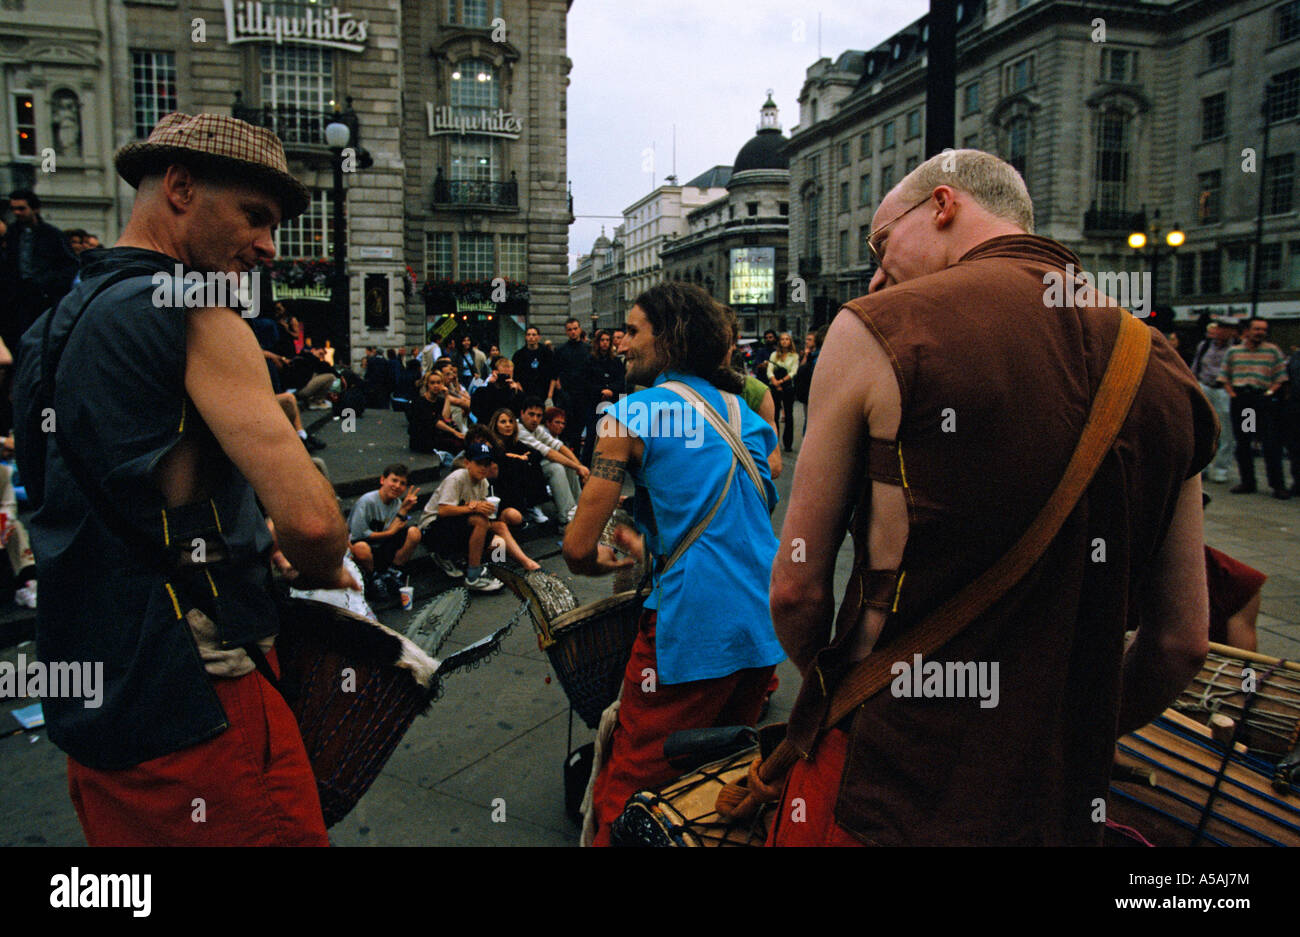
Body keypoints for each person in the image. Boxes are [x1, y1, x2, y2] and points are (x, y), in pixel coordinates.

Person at [767, 149, 1216, 846]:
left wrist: (842, 693)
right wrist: (1061, 734)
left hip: (887, 788)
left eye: (883, 242)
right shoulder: (1160, 364)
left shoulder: (879, 326)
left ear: (942, 205)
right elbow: (1183, 640)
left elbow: (796, 590)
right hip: (1056, 811)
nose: (878, 272)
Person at [13, 111, 352, 845]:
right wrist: (329, 563)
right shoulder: (199, 307)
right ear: (180, 186)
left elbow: (96, 489)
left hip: (95, 703)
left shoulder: (47, 330)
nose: (268, 247)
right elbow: (317, 523)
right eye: (255, 216)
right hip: (200, 698)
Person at [563, 281, 785, 847]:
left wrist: (610, 561)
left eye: (634, 332)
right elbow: (748, 501)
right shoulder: (744, 414)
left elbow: (577, 548)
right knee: (718, 772)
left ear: (670, 337)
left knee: (637, 771)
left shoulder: (630, 415)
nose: (622, 344)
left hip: (689, 629)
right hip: (762, 623)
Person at [419, 439, 538, 589]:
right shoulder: (457, 478)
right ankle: (473, 576)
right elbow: (443, 510)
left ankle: (524, 563)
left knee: (499, 532)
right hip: (432, 528)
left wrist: (486, 511)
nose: (483, 468)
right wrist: (473, 509)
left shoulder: (483, 482)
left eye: (487, 464)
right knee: (480, 522)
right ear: (468, 463)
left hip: (458, 525)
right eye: (479, 463)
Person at [1220, 317, 1290, 499]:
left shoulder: (1272, 351)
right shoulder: (1234, 352)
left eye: (1263, 329)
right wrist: (1233, 394)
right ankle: (1248, 481)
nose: (1260, 332)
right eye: (1257, 329)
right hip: (1243, 401)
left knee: (1270, 443)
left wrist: (1269, 393)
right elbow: (1224, 375)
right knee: (1244, 442)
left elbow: (1280, 377)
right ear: (1248, 331)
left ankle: (1277, 485)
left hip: (1262, 400)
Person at [2, 189, 78, 354]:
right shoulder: (11, 234)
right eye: (14, 208)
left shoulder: (52, 235)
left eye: (21, 208)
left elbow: (70, 265)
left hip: (43, 299)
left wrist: (48, 285)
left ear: (34, 209)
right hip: (15, 301)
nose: (17, 213)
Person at [347, 464, 422, 593]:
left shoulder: (397, 502)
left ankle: (393, 570)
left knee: (414, 532)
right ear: (383, 480)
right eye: (394, 480)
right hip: (364, 544)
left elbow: (393, 528)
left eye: (402, 483)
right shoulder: (367, 501)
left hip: (383, 545)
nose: (397, 486)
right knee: (361, 548)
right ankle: (372, 577)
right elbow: (359, 534)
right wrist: (390, 533)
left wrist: (404, 509)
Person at [518, 396, 589, 525]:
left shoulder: (537, 429)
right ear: (522, 413)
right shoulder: (519, 430)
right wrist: (578, 467)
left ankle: (581, 509)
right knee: (556, 467)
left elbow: (559, 445)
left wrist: (579, 467)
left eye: (539, 416)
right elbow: (548, 452)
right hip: (521, 471)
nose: (535, 419)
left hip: (535, 467)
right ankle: (567, 517)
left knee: (568, 465)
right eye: (531, 414)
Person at [1189, 318, 1238, 484]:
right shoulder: (1204, 346)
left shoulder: (1236, 348)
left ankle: (1221, 469)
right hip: (1205, 387)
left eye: (1227, 328)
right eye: (1220, 327)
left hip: (1225, 389)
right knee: (1202, 427)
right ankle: (1202, 466)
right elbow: (1196, 366)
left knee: (1226, 431)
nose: (1222, 331)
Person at [486, 407, 551, 525]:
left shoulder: (514, 442)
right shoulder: (491, 442)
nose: (508, 425)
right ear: (495, 425)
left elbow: (537, 453)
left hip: (516, 474)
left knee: (533, 464)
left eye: (511, 422)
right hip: (498, 480)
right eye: (503, 422)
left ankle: (534, 506)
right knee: (516, 466)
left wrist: (523, 457)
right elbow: (499, 458)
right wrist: (518, 458)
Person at [580, 328, 627, 466]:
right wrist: (601, 390)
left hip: (612, 401)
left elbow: (620, 381)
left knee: (611, 434)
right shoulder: (590, 360)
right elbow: (586, 381)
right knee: (592, 434)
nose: (605, 343)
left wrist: (611, 390)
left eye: (607, 340)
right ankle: (587, 464)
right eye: (602, 340)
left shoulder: (616, 362)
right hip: (594, 400)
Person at [552, 318, 591, 452]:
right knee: (565, 427)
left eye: (575, 329)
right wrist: (560, 390)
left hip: (584, 394)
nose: (573, 332)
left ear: (579, 329)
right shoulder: (560, 350)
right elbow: (555, 373)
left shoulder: (588, 349)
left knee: (581, 426)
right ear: (566, 332)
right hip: (567, 394)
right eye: (570, 329)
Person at [408, 370, 465, 455]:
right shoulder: (420, 402)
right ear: (427, 384)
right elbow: (434, 422)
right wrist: (454, 432)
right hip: (421, 438)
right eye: (432, 383)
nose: (436, 386)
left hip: (436, 434)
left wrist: (447, 397)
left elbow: (445, 417)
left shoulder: (440, 401)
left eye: (438, 383)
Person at [767, 332, 800, 452]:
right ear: (779, 341)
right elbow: (769, 370)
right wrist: (774, 381)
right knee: (774, 415)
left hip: (787, 385)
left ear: (790, 342)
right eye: (783, 339)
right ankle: (774, 442)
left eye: (787, 339)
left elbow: (793, 372)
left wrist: (781, 381)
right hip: (775, 385)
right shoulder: (774, 355)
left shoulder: (794, 356)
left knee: (789, 414)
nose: (785, 341)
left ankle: (788, 444)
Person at [470, 355, 525, 424]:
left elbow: (517, 413)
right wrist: (490, 386)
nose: (505, 378)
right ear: (495, 373)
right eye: (503, 375)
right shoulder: (482, 391)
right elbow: (477, 410)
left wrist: (515, 392)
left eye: (508, 376)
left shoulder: (515, 393)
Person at [512, 325, 557, 401]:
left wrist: (550, 396)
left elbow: (553, 376)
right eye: (528, 335)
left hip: (544, 394)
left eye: (534, 334)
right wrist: (522, 393)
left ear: (539, 337)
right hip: (525, 395)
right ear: (526, 337)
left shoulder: (547, 353)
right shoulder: (519, 355)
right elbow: (515, 377)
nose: (531, 337)